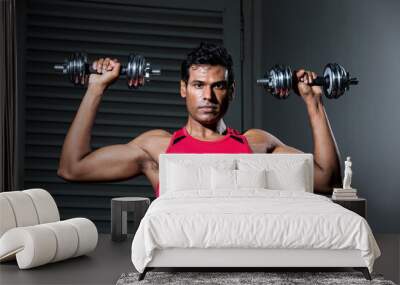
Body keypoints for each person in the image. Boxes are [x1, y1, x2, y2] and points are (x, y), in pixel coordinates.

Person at [57, 42, 342, 196]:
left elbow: (328, 181)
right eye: (198, 85)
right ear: (183, 89)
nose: (208, 95)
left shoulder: (256, 144)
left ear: (231, 91)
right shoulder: (158, 149)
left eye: (218, 86)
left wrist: (313, 102)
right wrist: (96, 87)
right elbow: (73, 168)